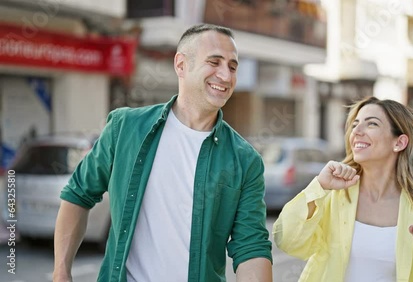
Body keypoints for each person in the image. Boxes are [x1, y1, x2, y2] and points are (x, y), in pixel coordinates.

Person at [53, 24, 272, 282]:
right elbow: (79, 193)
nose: (226, 75)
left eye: (233, 66)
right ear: (181, 65)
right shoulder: (125, 128)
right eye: (214, 62)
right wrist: (61, 272)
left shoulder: (245, 161)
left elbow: (251, 246)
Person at [273, 96, 413, 281]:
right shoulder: (335, 196)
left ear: (399, 142)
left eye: (371, 124)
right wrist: (318, 187)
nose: (357, 131)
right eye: (355, 125)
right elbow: (287, 241)